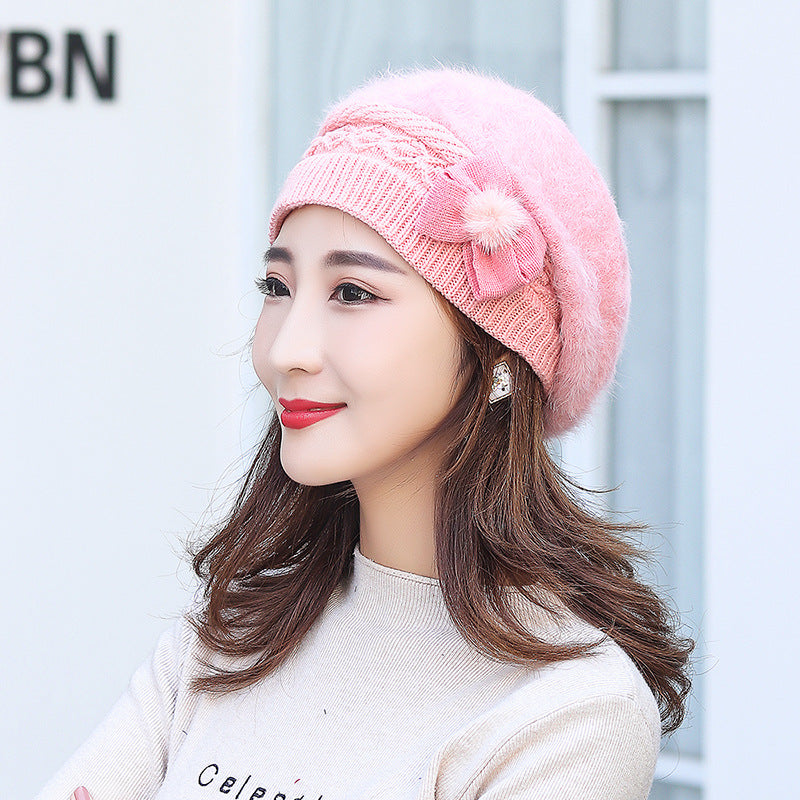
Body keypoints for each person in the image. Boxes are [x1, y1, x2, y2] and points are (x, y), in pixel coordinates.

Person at [39, 67, 692, 800]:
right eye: (277, 288)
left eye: (352, 292)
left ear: (500, 354)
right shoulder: (229, 640)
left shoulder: (567, 714)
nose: (287, 349)